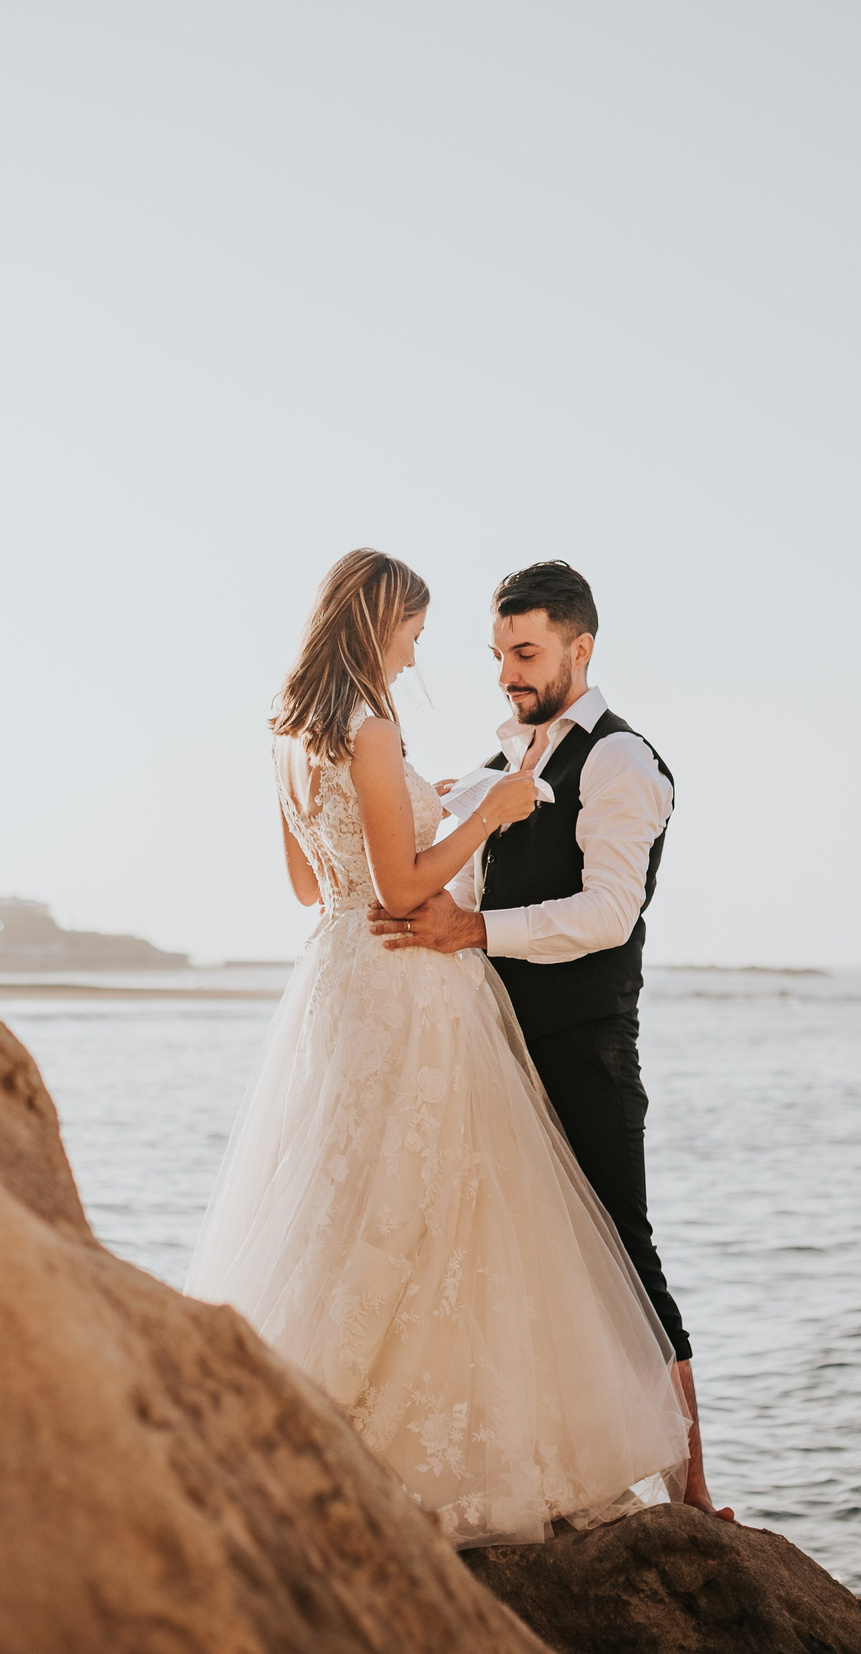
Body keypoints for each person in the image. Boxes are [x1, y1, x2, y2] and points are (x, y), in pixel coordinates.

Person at [184, 548, 691, 1549]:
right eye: (415, 631)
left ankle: (310, 1415)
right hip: (407, 983)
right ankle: (430, 1439)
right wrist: (488, 815)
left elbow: (309, 885)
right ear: (379, 622)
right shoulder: (370, 728)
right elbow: (409, 887)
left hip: (338, 976)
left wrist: (446, 805)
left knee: (346, 1201)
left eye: (516, 647)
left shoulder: (292, 738)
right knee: (433, 1210)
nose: (424, 651)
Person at [370, 560, 728, 1520]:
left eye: (524, 654)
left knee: (624, 1248)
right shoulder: (503, 764)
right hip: (491, 1048)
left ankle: (694, 1489)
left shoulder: (621, 762)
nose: (505, 674)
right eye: (498, 654)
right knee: (522, 1256)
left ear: (582, 648)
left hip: (584, 1046)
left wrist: (473, 931)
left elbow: (610, 913)